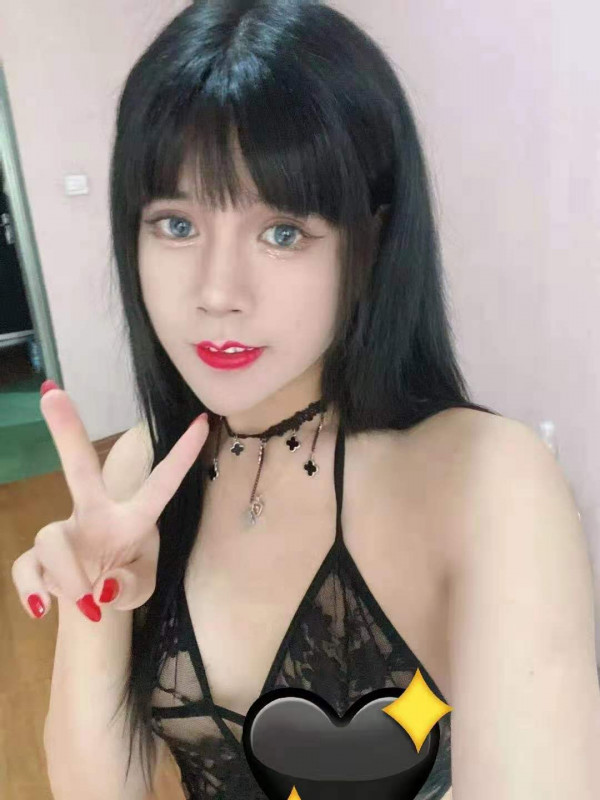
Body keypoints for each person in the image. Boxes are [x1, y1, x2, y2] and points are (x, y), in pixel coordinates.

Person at [12, 2, 600, 799]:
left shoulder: (486, 482)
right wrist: (98, 606)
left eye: (283, 232)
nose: (217, 292)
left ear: (371, 242)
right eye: (176, 224)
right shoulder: (143, 470)